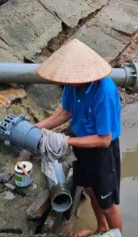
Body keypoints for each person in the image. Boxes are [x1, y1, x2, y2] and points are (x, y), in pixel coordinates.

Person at [35, 39, 123, 236]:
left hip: (102, 152)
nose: (67, 82)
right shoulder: (72, 84)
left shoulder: (104, 91)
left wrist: (65, 141)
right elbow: (66, 112)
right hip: (82, 146)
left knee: (108, 204)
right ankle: (101, 228)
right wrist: (36, 127)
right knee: (90, 191)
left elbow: (104, 140)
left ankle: (116, 234)